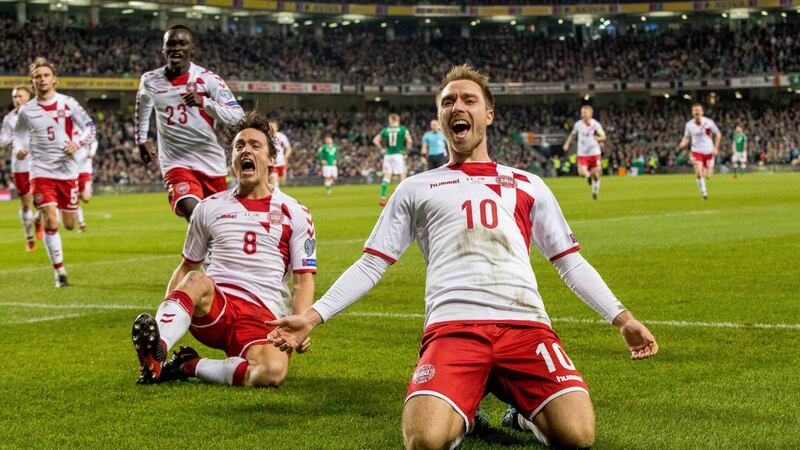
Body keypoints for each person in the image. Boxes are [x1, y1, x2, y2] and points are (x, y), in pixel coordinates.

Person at [267, 65, 658, 449]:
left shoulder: (528, 184)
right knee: (423, 439)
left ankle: (521, 413)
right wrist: (312, 317)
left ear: (487, 113)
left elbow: (568, 261)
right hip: (453, 328)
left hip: (525, 327)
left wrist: (621, 319)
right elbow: (372, 264)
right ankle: (466, 413)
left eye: (469, 99)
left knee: (578, 435)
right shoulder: (417, 187)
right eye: (448, 101)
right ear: (439, 117)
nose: (458, 106)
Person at [131, 112, 316, 387]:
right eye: (239, 146)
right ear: (231, 160)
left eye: (255, 145)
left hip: (263, 315)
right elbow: (187, 267)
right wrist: (163, 320)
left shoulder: (296, 212)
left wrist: (300, 324)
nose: (245, 151)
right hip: (216, 305)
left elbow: (303, 281)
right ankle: (158, 350)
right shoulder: (208, 207)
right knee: (195, 279)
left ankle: (189, 365)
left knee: (271, 372)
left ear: (271, 159)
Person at [136, 24, 244, 220]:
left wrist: (204, 103)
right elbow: (143, 105)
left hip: (210, 161)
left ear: (192, 48)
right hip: (175, 162)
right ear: (163, 48)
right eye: (171, 43)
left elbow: (238, 116)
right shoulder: (150, 80)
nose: (176, 47)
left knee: (216, 223)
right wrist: (141, 140)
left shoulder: (208, 80)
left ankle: (205, 251)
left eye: (182, 43)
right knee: (195, 215)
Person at [13, 57, 95, 287]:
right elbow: (19, 134)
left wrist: (77, 144)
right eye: (37, 76)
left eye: (46, 75)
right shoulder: (27, 111)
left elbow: (90, 127)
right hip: (40, 170)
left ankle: (43, 214)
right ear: (33, 82)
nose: (42, 79)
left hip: (67, 171)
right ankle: (60, 273)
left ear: (54, 79)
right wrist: (20, 148)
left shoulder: (68, 104)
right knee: (52, 219)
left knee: (68, 223)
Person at [0, 84, 38, 251]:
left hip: (39, 163)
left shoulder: (38, 114)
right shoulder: (9, 119)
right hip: (20, 165)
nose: (16, 99)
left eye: (20, 96)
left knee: (44, 202)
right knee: (25, 204)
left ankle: (39, 220)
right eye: (14, 97)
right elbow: (3, 140)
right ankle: (29, 236)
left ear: (28, 97)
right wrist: (12, 140)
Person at [563, 105, 606, 200]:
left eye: (584, 113)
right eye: (582, 112)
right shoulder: (578, 124)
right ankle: (588, 177)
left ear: (590, 113)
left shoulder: (596, 124)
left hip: (594, 152)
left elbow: (603, 136)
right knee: (582, 173)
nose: (582, 114)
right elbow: (572, 135)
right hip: (582, 153)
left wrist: (598, 138)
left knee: (596, 174)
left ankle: (595, 192)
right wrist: (567, 144)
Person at [679, 103, 720, 200]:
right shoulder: (689, 125)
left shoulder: (708, 122)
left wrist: (716, 147)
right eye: (695, 110)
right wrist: (682, 143)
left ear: (702, 112)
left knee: (708, 176)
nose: (697, 112)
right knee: (698, 173)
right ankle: (704, 193)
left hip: (709, 151)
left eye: (699, 110)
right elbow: (687, 137)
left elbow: (718, 133)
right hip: (696, 151)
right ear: (692, 112)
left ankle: (708, 172)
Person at [373, 113, 413, 206]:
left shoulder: (386, 130)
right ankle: (403, 198)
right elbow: (409, 140)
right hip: (398, 155)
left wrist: (382, 149)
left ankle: (382, 198)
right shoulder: (403, 129)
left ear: (390, 120)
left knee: (387, 176)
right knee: (402, 175)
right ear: (398, 120)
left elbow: (375, 140)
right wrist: (406, 151)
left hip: (388, 155)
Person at [74, 133, 97, 232]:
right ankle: (82, 224)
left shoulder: (86, 131)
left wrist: (92, 152)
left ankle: (77, 195)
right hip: (73, 171)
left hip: (86, 170)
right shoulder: (68, 129)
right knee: (75, 199)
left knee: (86, 198)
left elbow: (95, 141)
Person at [268, 120, 292, 188]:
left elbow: (289, 148)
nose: (272, 128)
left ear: (277, 127)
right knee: (274, 181)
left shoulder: (282, 136)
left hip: (282, 162)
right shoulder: (265, 137)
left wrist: (286, 157)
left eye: (273, 126)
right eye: (270, 126)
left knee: (282, 182)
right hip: (271, 163)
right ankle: (275, 196)